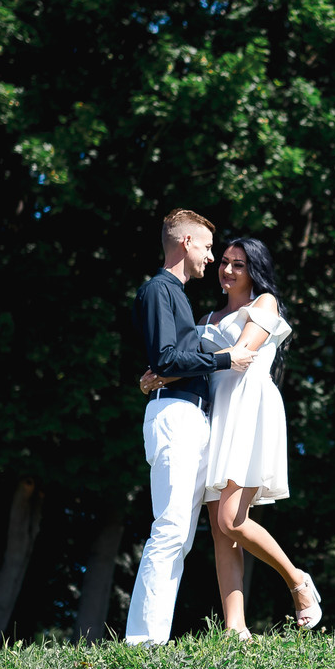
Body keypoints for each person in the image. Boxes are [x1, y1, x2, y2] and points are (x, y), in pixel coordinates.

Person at [124, 210, 254, 646]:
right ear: (185, 243)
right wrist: (224, 358)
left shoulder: (177, 296)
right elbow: (165, 358)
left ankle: (152, 638)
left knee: (180, 535)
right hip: (175, 417)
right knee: (171, 526)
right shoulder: (160, 289)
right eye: (206, 247)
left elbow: (164, 362)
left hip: (190, 417)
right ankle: (143, 642)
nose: (211, 257)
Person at [195, 236, 322, 636]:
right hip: (217, 415)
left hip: (249, 409)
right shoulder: (205, 320)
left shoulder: (263, 304)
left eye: (239, 264)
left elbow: (242, 353)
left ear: (254, 271)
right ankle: (236, 628)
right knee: (219, 528)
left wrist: (179, 364)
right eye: (226, 262)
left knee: (233, 519)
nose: (228, 270)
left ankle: (298, 582)